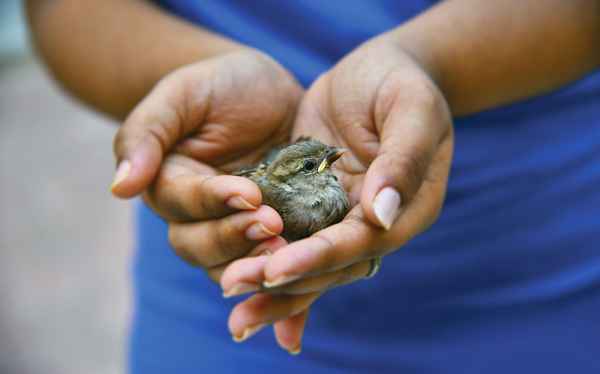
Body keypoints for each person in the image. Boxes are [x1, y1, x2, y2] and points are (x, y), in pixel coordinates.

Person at [27, 0, 600, 373]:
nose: (331, 168)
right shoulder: (264, 194)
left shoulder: (329, 185)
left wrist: (424, 61)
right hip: (223, 304)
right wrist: (195, 74)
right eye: (316, 167)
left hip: (548, 259)